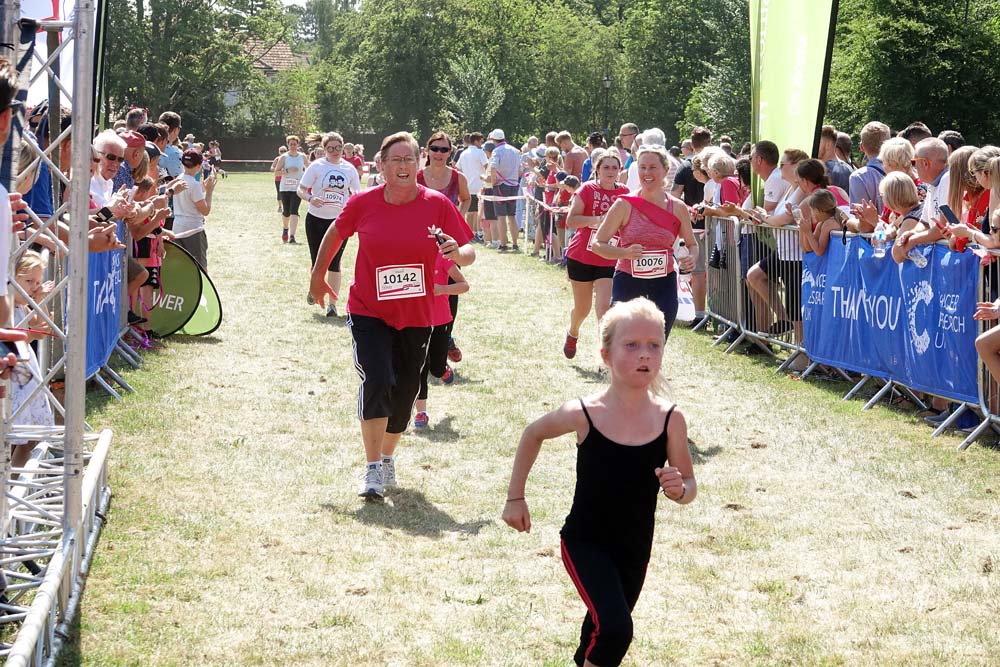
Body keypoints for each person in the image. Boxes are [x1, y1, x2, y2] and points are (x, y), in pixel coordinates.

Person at [502, 297, 695, 667]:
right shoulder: (584, 413)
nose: (645, 355)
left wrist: (680, 489)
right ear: (606, 355)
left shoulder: (671, 418)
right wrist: (516, 497)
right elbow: (533, 433)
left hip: (635, 548)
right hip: (584, 541)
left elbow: (688, 482)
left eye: (654, 346)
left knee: (601, 625)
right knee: (616, 629)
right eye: (632, 345)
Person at [308, 132, 475, 501]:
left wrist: (457, 254)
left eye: (409, 160)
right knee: (378, 379)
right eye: (395, 160)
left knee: (405, 393)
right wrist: (318, 275)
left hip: (416, 314)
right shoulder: (363, 202)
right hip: (369, 310)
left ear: (419, 165)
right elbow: (336, 233)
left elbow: (467, 250)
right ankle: (371, 468)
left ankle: (387, 457)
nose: (403, 166)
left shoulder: (437, 205)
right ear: (380, 166)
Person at [592, 146, 698, 339]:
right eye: (642, 168)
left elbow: (692, 244)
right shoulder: (624, 205)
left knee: (658, 338)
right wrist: (625, 253)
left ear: (665, 170)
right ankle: (611, 364)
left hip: (664, 281)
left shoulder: (678, 207)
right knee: (621, 336)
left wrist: (691, 258)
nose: (646, 173)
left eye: (652, 167)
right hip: (628, 280)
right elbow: (598, 244)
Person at [563, 151, 629, 359]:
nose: (610, 171)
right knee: (582, 309)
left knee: (604, 309)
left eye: (614, 168)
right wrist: (599, 219)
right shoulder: (587, 190)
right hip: (582, 255)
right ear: (597, 170)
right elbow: (571, 221)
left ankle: (604, 356)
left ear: (620, 171)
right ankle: (573, 332)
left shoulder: (625, 192)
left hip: (608, 257)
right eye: (606, 167)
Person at [418, 131, 471, 363]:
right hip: (419, 241)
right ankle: (423, 341)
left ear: (451, 152)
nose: (439, 154)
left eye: (444, 149)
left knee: (449, 288)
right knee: (421, 289)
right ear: (427, 151)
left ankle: (445, 335)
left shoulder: (458, 177)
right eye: (435, 149)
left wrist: (457, 217)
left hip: (448, 242)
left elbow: (466, 198)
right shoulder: (417, 176)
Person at [297, 132, 362, 317]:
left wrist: (353, 209)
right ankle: (314, 289)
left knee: (335, 262)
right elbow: (300, 189)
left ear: (343, 148)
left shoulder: (349, 169)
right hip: (316, 219)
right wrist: (310, 198)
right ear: (324, 149)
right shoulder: (317, 166)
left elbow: (357, 194)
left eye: (338, 148)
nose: (334, 151)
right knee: (317, 261)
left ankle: (332, 306)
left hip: (339, 222)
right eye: (330, 148)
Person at [413, 255, 469, 429]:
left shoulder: (443, 258)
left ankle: (442, 369)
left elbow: (464, 285)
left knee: (435, 369)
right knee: (419, 368)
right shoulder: (410, 256)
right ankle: (421, 412)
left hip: (441, 321)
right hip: (417, 320)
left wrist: (442, 289)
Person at [671, 126, 712, 324]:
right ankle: (717, 316)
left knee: (697, 271)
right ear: (709, 142)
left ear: (691, 144)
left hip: (694, 225)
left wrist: (687, 211)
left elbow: (674, 196)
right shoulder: (717, 165)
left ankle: (700, 315)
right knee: (719, 272)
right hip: (717, 224)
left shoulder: (685, 167)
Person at [171, 149, 217, 271]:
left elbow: (190, 194)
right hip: (193, 229)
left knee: (181, 267)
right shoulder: (194, 185)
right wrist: (210, 191)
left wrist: (203, 188)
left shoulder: (179, 178)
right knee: (201, 268)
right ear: (199, 165)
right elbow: (205, 211)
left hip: (177, 227)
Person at [488, 128, 522, 251]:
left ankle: (503, 244)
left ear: (493, 140)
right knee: (512, 216)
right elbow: (520, 171)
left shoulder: (497, 151)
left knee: (501, 216)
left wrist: (493, 181)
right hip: (513, 185)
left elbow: (493, 167)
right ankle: (515, 243)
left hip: (501, 186)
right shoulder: (515, 151)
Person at [849, 121, 891, 221]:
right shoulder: (904, 169)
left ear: (861, 147)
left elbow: (861, 218)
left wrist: (848, 222)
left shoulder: (859, 177)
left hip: (875, 234)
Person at [275, 135, 308, 244]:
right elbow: (276, 172)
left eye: (295, 144)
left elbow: (309, 169)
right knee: (286, 212)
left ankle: (292, 236)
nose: (293, 146)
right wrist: (288, 171)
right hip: (285, 188)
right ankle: (285, 229)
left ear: (298, 145)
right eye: (291, 144)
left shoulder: (302, 157)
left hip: (297, 188)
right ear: (288, 145)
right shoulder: (284, 157)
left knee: (294, 211)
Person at [456, 132, 488, 242]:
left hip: (467, 185)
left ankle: (470, 232)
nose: (482, 143)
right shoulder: (480, 152)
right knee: (476, 211)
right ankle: (475, 232)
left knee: (469, 212)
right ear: (476, 141)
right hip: (478, 185)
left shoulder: (464, 153)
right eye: (480, 141)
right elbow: (487, 166)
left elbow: (457, 168)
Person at [270, 146, 287, 213]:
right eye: (281, 151)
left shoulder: (288, 159)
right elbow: (272, 167)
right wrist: (277, 170)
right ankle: (280, 207)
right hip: (278, 179)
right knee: (279, 193)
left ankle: (286, 206)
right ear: (279, 152)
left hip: (286, 179)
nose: (282, 152)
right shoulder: (277, 159)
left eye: (284, 151)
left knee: (286, 193)